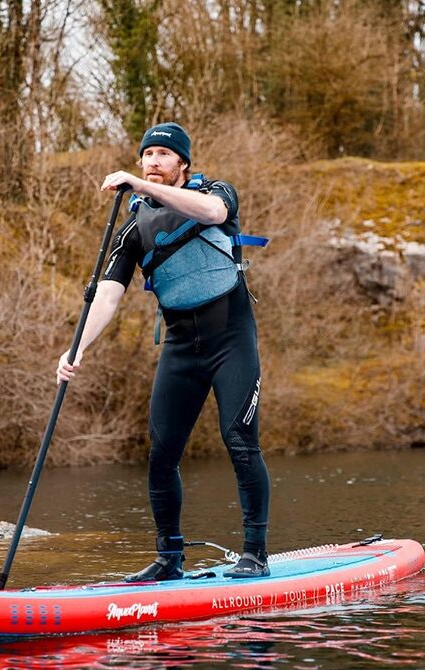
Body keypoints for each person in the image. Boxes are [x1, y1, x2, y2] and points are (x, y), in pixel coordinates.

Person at [56, 122, 271, 580]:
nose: (153, 162)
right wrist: (76, 349)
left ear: (182, 164)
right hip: (181, 347)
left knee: (240, 443)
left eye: (163, 155)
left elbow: (212, 214)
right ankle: (169, 558)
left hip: (231, 339)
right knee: (161, 453)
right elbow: (109, 296)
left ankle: (256, 552)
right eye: (147, 155)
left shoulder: (216, 191)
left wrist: (136, 185)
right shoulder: (133, 226)